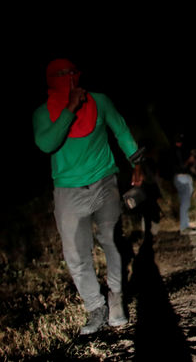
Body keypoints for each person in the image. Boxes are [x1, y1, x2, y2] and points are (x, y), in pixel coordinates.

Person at [32, 58, 143, 335]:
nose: (67, 78)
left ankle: (116, 298)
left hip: (105, 182)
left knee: (112, 242)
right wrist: (70, 108)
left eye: (71, 73)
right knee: (76, 254)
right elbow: (47, 143)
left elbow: (120, 128)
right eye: (60, 75)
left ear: (79, 75)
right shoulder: (43, 113)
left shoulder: (100, 101)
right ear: (50, 80)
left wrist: (136, 161)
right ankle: (96, 308)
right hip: (68, 192)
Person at [172, 133, 196, 235]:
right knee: (185, 203)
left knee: (185, 202)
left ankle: (185, 225)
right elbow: (180, 167)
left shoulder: (178, 150)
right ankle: (184, 227)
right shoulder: (176, 151)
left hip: (181, 178)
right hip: (181, 178)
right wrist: (189, 161)